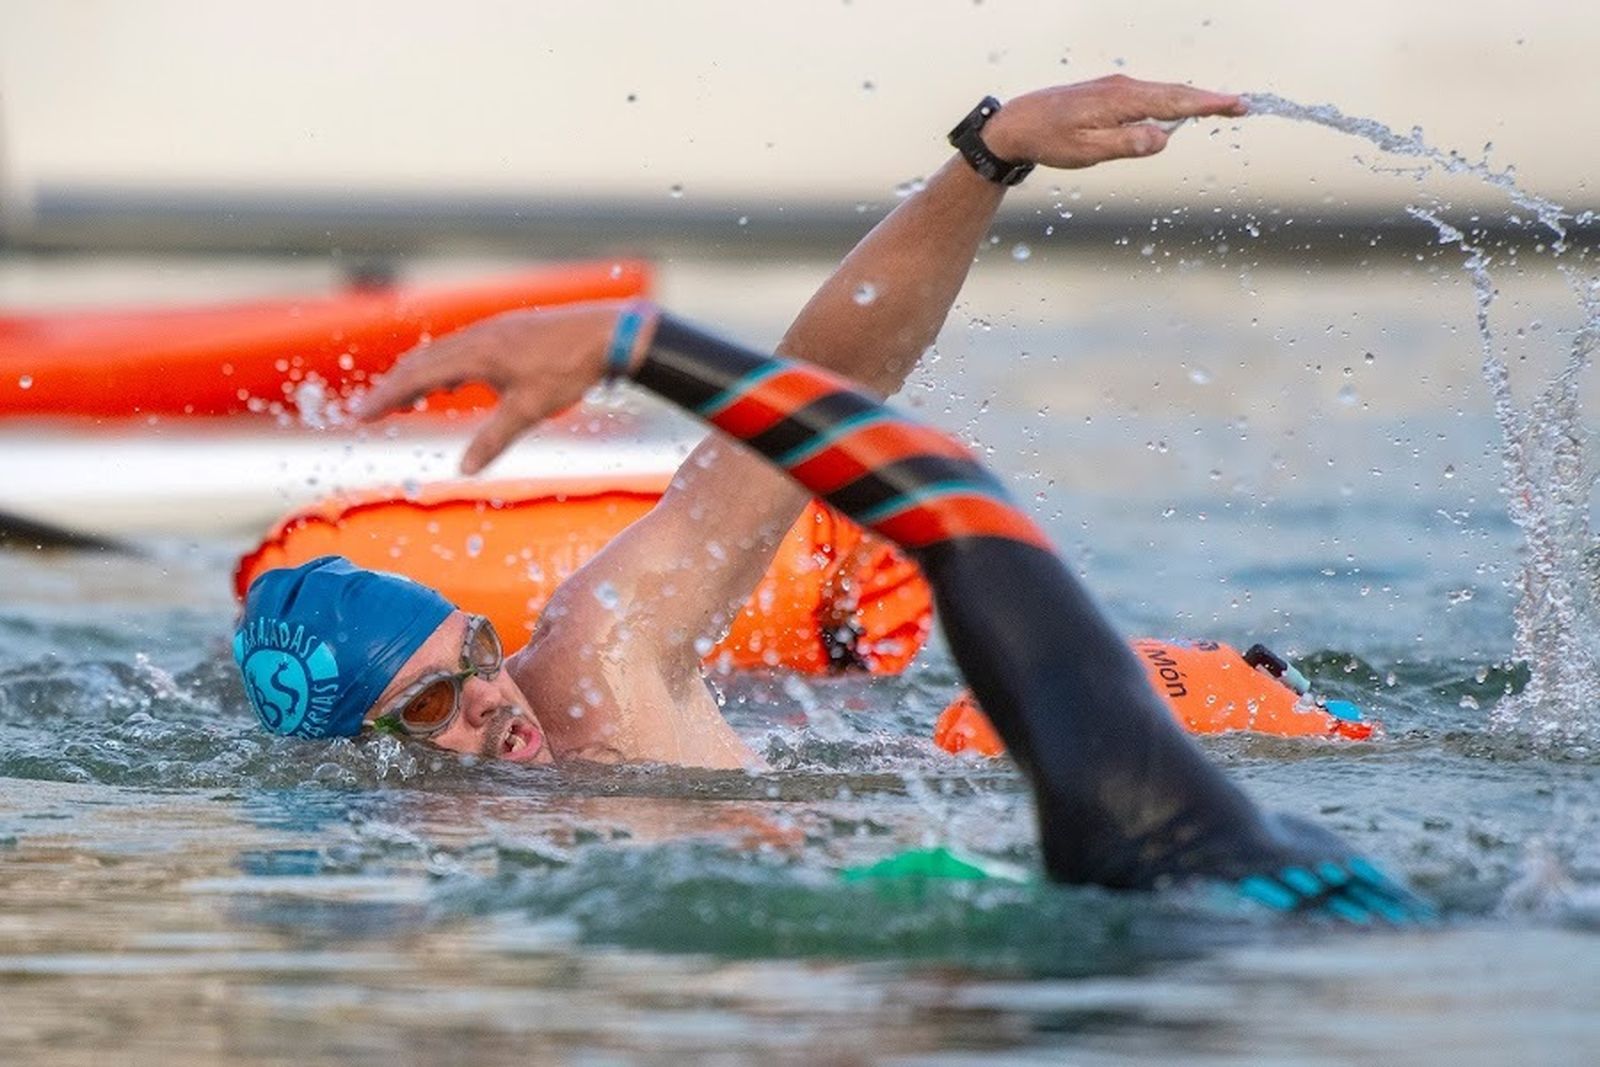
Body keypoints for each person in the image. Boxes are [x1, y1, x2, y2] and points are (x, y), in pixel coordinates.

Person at [236, 75, 1430, 920]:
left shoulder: (605, 654)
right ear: (361, 763)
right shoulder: (419, 904)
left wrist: (988, 153)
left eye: (474, 653)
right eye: (431, 706)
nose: (491, 702)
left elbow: (826, 391)